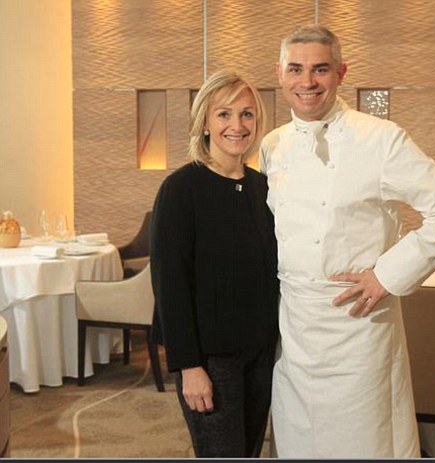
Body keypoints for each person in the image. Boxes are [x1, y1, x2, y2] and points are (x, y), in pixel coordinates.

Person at [259, 25, 435, 458]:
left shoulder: (381, 139)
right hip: (296, 327)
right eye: (296, 69)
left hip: (359, 327)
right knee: (299, 442)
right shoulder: (272, 145)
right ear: (280, 74)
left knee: (364, 442)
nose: (307, 82)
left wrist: (386, 275)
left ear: (342, 73)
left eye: (321, 69)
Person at [150, 69, 279, 458]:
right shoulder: (181, 189)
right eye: (224, 114)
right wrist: (189, 367)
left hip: (261, 354)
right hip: (210, 360)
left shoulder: (263, 188)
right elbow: (170, 285)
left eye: (246, 114)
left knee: (250, 452)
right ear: (204, 122)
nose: (237, 125)